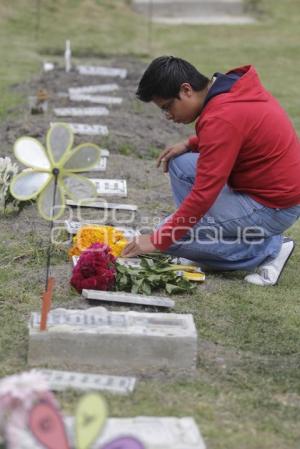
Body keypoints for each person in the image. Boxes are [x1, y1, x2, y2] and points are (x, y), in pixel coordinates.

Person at [122, 56, 300, 286]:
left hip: (274, 207)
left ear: (186, 90)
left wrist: (158, 240)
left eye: (167, 107)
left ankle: (271, 249)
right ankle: (206, 234)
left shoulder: (220, 116)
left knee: (168, 237)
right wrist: (191, 143)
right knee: (180, 164)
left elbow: (203, 194)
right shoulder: (229, 88)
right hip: (273, 192)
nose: (167, 115)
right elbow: (238, 131)